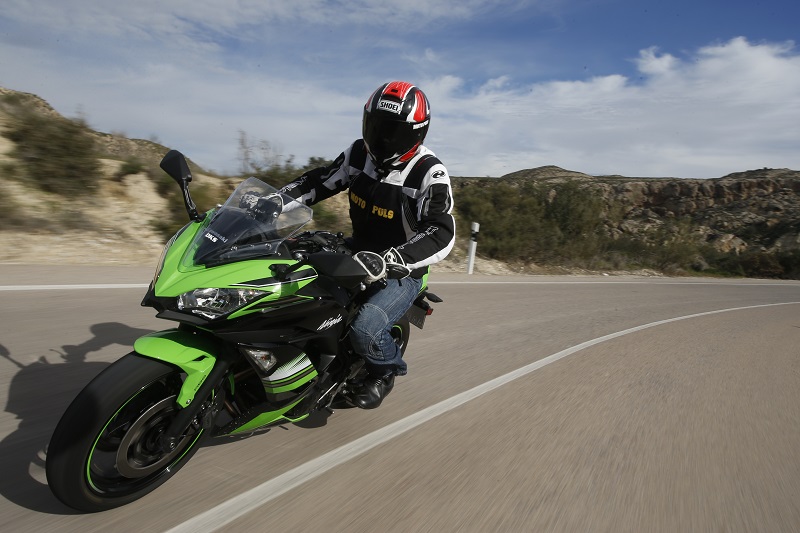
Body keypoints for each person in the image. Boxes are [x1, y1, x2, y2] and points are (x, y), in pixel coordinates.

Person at [280, 81, 456, 409]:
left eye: (394, 132)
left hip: (402, 268)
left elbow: (440, 231)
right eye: (376, 127)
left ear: (417, 134)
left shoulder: (428, 172)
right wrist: (275, 201)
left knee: (366, 328)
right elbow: (320, 181)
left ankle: (385, 371)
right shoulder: (359, 153)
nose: (382, 139)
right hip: (357, 248)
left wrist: (396, 258)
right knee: (289, 280)